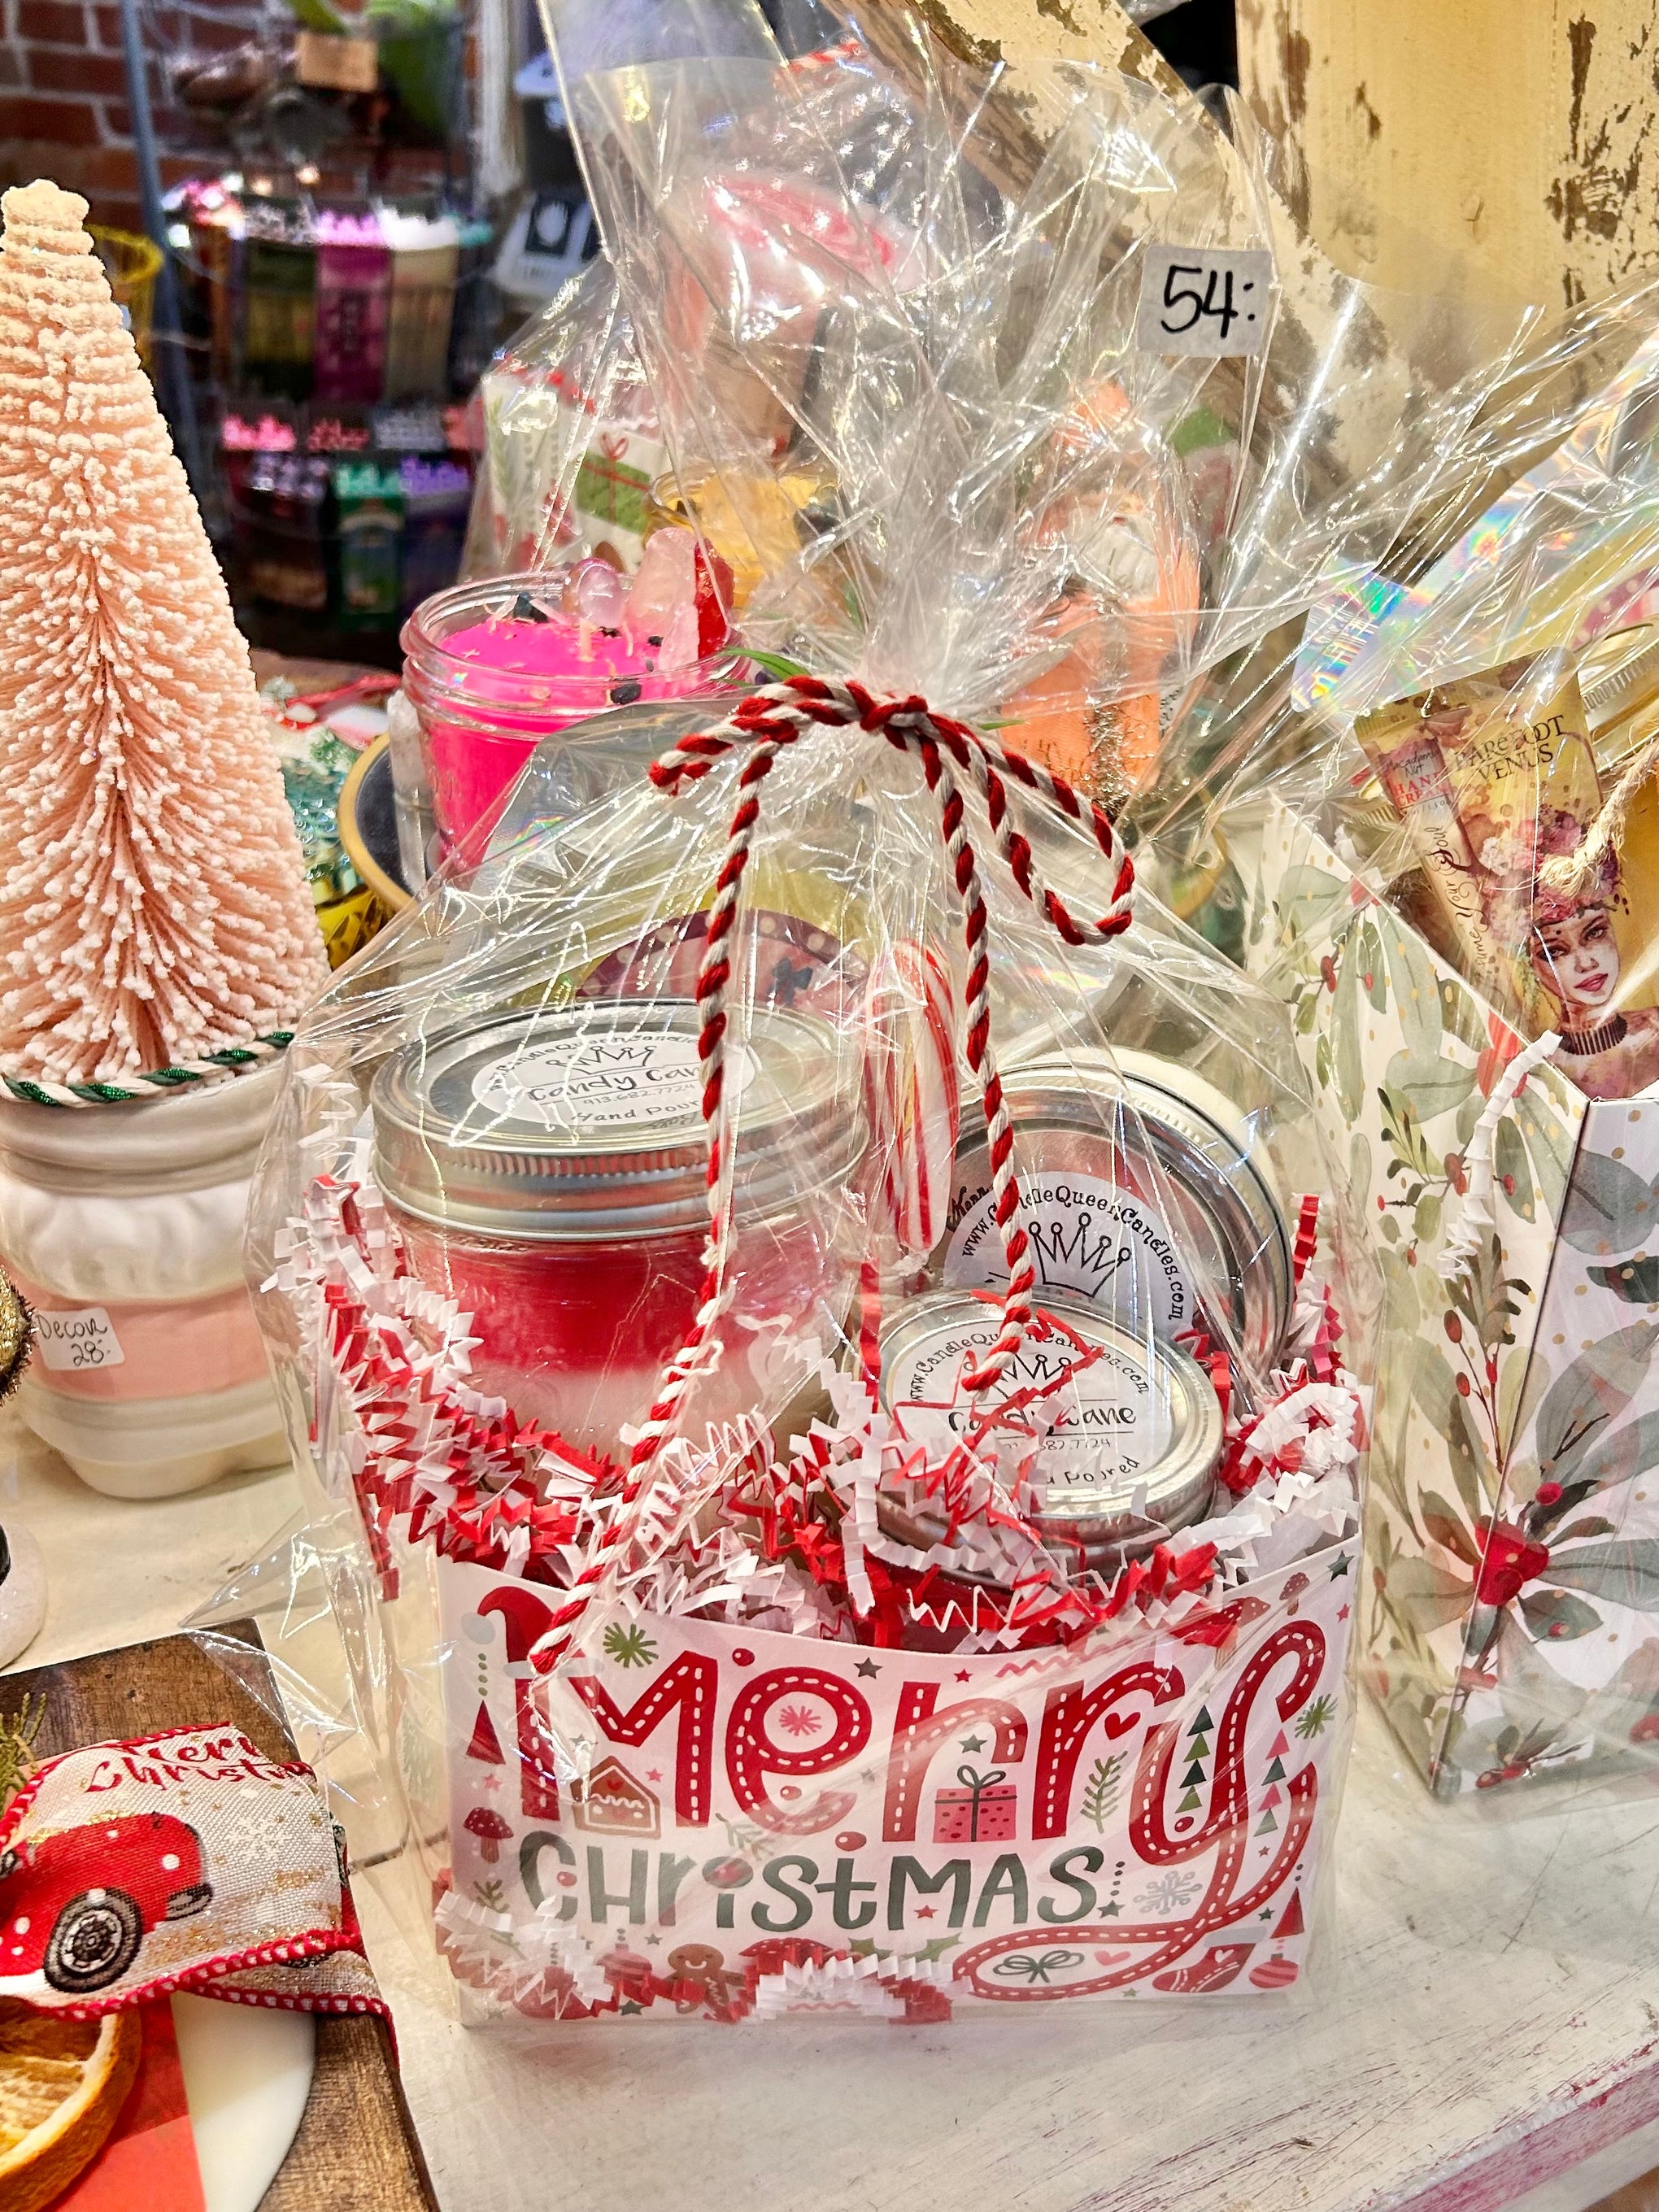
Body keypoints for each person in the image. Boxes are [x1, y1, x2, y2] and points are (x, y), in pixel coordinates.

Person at [1483, 807, 1658, 1099]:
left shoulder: (1654, 1026)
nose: (1586, 963)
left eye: (1595, 933)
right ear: (1531, 965)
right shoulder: (1540, 1070)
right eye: (1554, 952)